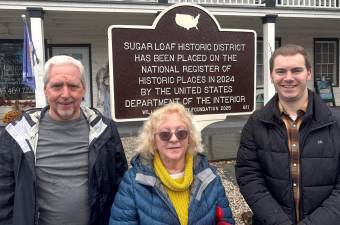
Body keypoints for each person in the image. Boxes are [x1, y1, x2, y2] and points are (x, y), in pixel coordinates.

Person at [0, 55, 128, 225]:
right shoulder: (17, 134)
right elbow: (4, 198)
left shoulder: (105, 130)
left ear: (83, 90)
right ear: (46, 90)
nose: (65, 94)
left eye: (73, 86)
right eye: (57, 86)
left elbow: (121, 188)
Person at [235, 44, 340, 225]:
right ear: (271, 76)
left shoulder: (336, 123)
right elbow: (249, 176)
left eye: (296, 70)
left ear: (308, 73)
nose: (288, 78)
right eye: (281, 71)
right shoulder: (256, 124)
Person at [109, 102, 235, 225]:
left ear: (189, 138)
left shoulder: (210, 177)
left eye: (181, 133)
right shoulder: (133, 182)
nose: (174, 139)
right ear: (153, 141)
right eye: (165, 134)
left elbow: (225, 220)